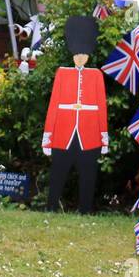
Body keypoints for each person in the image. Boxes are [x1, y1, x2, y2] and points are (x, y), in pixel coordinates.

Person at [42, 15, 108, 214]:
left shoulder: (96, 75)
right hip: (64, 132)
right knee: (58, 172)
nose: (80, 58)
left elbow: (101, 107)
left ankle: (85, 209)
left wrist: (103, 138)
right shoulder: (62, 73)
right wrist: (48, 137)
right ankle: (51, 206)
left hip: (88, 134)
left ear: (88, 55)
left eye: (83, 55)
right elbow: (54, 105)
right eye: (77, 54)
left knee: (88, 174)